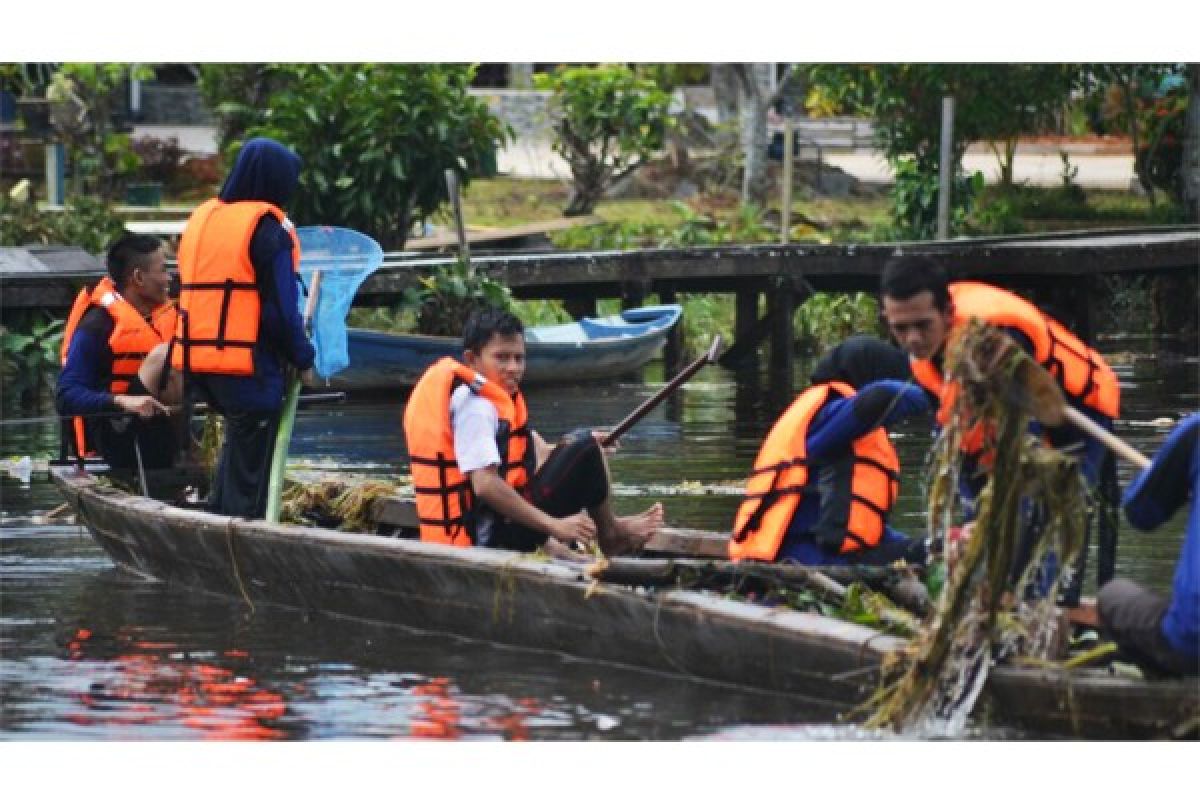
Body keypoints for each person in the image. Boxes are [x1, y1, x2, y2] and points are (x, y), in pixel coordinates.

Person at [879, 256, 1121, 599]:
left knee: (1052, 520)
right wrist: (970, 520)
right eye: (900, 329)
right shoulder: (923, 359)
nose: (913, 339)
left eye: (923, 325)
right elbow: (956, 439)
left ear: (947, 314)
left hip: (1079, 413)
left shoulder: (996, 341)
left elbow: (1024, 450)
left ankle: (1044, 611)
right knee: (979, 530)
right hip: (995, 432)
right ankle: (991, 604)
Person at [403, 307, 663, 558]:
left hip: (496, 525)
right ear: (472, 360)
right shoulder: (477, 408)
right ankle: (612, 535)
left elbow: (535, 450)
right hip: (484, 537)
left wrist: (585, 448)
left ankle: (603, 533)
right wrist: (554, 525)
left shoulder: (500, 400)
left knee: (585, 444)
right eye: (502, 357)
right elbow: (485, 485)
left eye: (519, 358)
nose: (513, 368)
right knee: (583, 446)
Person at [171, 137, 315, 519]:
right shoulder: (268, 231)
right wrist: (304, 357)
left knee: (239, 439)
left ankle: (220, 510)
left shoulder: (205, 219)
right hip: (246, 364)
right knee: (252, 457)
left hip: (201, 363)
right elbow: (282, 311)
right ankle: (238, 529)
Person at [729, 336, 931, 566]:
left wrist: (919, 545)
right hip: (804, 558)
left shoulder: (840, 426)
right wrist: (940, 394)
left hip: (820, 554)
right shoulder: (829, 412)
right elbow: (880, 398)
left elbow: (863, 523)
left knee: (932, 547)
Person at [56, 233, 180, 469]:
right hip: (115, 436)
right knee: (166, 354)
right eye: (163, 270)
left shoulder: (165, 316)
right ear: (138, 278)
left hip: (157, 434)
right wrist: (122, 401)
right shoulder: (97, 326)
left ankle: (191, 453)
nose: (169, 278)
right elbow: (65, 396)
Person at [1097, 414, 1199, 676]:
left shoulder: (1195, 433)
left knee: (1112, 596)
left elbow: (1140, 513)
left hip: (1190, 642)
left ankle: (1167, 680)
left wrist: (1177, 478)